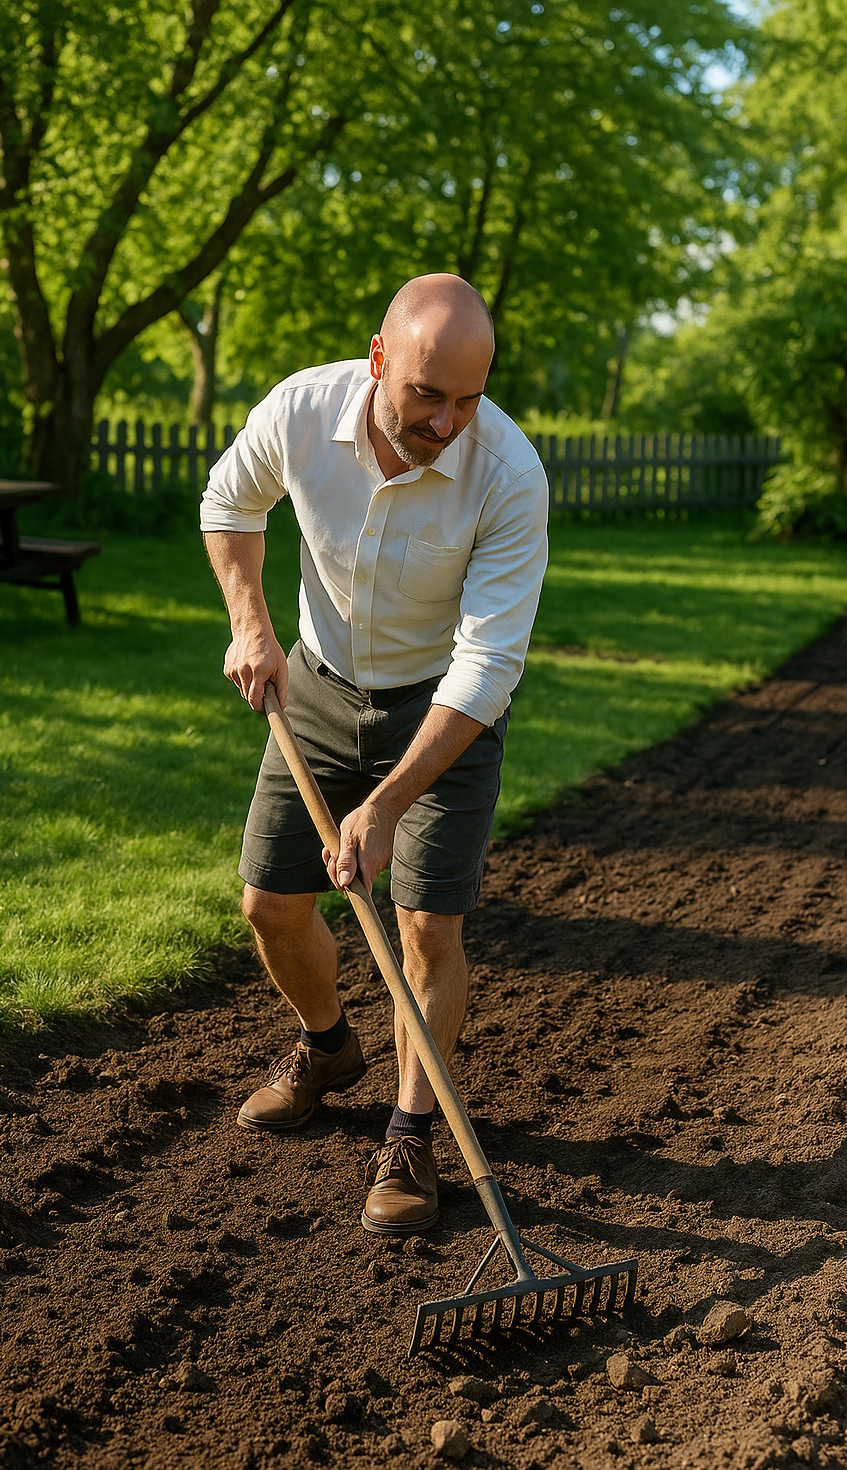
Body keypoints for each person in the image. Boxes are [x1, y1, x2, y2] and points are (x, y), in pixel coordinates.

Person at [201, 273, 548, 1235]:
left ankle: (408, 1131)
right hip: (313, 682)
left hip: (442, 711)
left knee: (426, 932)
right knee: (271, 903)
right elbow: (229, 501)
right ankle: (327, 1049)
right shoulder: (303, 411)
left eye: (468, 400)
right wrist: (250, 625)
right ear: (379, 356)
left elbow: (486, 668)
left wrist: (390, 801)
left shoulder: (510, 474)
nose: (446, 422)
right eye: (426, 395)